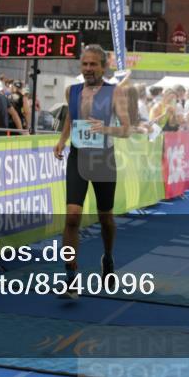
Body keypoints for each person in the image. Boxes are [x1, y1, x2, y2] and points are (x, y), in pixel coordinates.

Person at [53, 44, 129, 299]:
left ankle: (107, 257)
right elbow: (70, 119)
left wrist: (105, 129)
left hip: (103, 160)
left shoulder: (115, 93)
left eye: (93, 64)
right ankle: (71, 278)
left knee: (105, 218)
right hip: (77, 156)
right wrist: (62, 140)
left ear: (103, 67)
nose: (88, 69)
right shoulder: (71, 91)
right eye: (84, 64)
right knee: (72, 216)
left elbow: (126, 129)